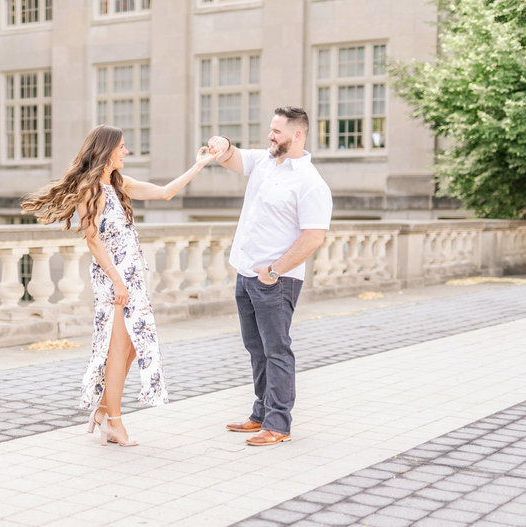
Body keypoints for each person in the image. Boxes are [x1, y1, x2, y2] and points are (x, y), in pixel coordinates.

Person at [22, 125, 214, 446]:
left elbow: (166, 191)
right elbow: (93, 240)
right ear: (107, 150)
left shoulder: (118, 184)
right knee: (118, 349)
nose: (126, 152)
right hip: (115, 278)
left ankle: (103, 409)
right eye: (122, 147)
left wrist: (199, 165)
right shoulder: (89, 189)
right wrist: (116, 281)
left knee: (134, 346)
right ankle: (113, 421)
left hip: (133, 276)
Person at [207, 106, 332, 446]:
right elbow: (233, 158)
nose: (270, 135)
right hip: (246, 272)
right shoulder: (265, 161)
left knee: (277, 350)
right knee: (255, 348)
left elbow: (313, 237)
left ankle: (278, 425)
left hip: (277, 280)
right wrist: (223, 144)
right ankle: (261, 414)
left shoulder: (310, 183)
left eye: (277, 131)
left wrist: (275, 270)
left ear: (298, 134)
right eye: (271, 129)